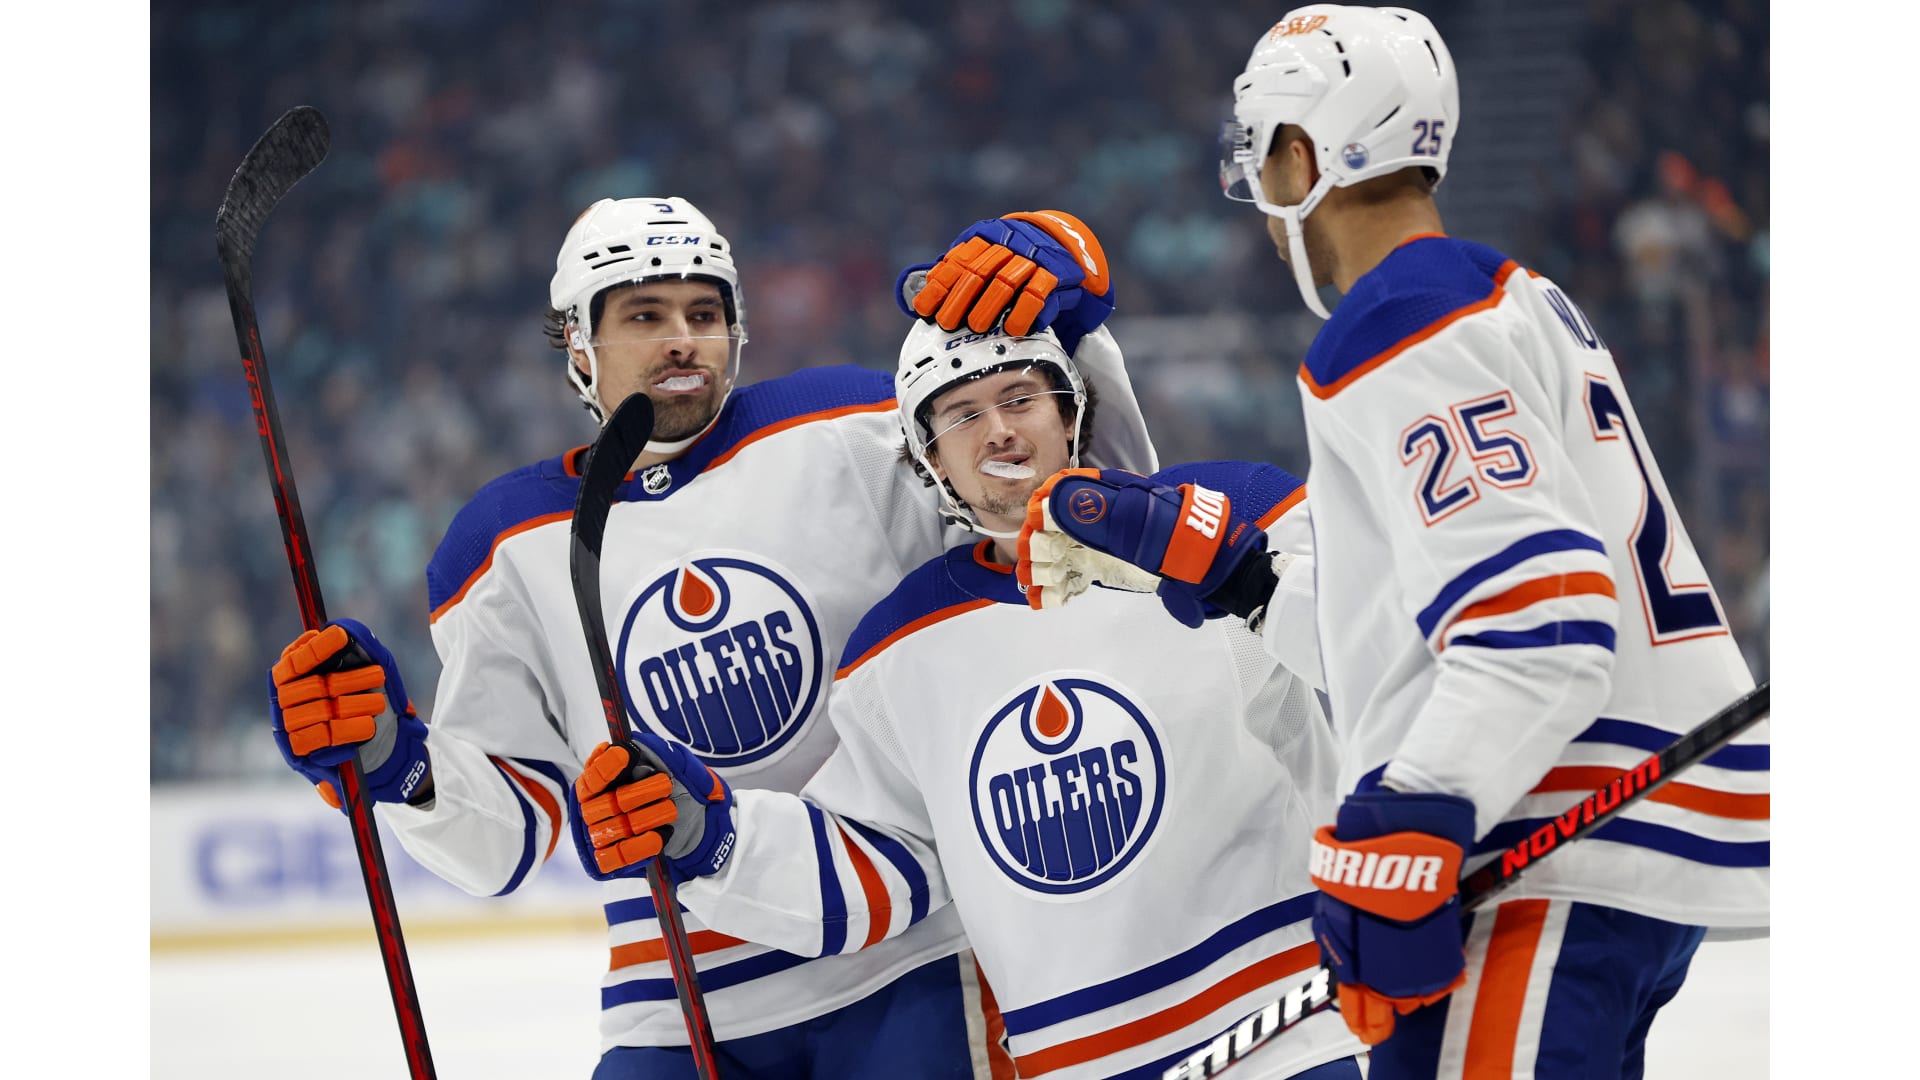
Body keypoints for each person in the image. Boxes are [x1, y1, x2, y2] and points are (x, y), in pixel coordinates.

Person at [1012, 7, 1770, 1078]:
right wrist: (1247, 578)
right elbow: (1424, 637)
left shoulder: (1400, 323)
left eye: (1260, 153)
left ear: (1303, 154)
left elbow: (1542, 627)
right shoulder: (1514, 299)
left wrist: (1406, 819)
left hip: (1540, 857)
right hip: (1610, 849)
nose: (1260, 199)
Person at [264, 196, 1158, 1079]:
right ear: (577, 343)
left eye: (704, 313)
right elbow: (505, 839)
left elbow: (1081, 536)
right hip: (675, 999)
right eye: (644, 316)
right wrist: (396, 765)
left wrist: (1075, 328)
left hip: (912, 954)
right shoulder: (503, 543)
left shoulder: (851, 427)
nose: (682, 340)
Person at [566, 315, 1368, 1080]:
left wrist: (1249, 578)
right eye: (962, 416)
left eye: (1021, 398)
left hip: (1296, 1036)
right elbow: (879, 860)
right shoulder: (901, 642)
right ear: (930, 460)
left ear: (1069, 411)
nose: (999, 432)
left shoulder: (1232, 510)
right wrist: (712, 835)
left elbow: (1390, 658)